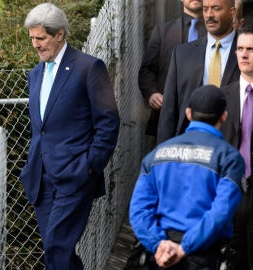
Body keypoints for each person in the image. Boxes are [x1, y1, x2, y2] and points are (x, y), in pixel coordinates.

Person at [19, 3, 120, 270]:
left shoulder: (90, 68)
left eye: (40, 38)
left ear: (60, 34)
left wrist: (88, 166)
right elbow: (40, 128)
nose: (35, 45)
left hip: (74, 175)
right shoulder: (35, 74)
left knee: (57, 247)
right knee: (57, 251)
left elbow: (108, 123)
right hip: (41, 179)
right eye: (32, 39)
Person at [130, 84, 244, 269]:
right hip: (205, 254)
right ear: (224, 115)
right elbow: (220, 213)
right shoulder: (229, 158)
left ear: (189, 114)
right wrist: (184, 248)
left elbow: (139, 210)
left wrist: (158, 244)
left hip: (159, 255)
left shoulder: (157, 155)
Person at [157, 0, 240, 144]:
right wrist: (163, 155)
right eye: (205, 9)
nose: (209, 15)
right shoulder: (182, 54)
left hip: (236, 145)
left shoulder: (246, 51)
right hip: (189, 145)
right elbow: (168, 113)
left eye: (216, 8)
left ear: (232, 12)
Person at [138, 0, 205, 141]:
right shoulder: (163, 32)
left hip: (205, 115)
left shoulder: (216, 33)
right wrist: (152, 93)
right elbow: (147, 70)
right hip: (168, 116)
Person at [220, 24, 253, 270]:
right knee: (233, 258)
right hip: (232, 187)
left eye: (251, 49)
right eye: (240, 49)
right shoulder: (223, 96)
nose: (244, 54)